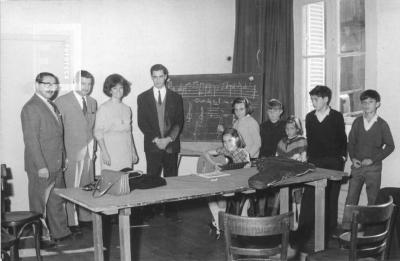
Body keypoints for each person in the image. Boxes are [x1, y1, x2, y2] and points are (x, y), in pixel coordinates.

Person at [20, 72, 71, 244]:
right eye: (46, 84)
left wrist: (64, 157)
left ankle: (60, 233)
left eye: (53, 84)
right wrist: (41, 166)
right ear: (37, 85)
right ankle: (40, 238)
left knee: (57, 201)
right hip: (41, 166)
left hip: (56, 163)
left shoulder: (52, 105)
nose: (50, 88)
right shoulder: (31, 107)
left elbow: (58, 135)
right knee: (39, 205)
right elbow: (31, 141)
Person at [297, 85, 347, 250]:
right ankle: (303, 232)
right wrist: (307, 159)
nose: (313, 102)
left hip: (333, 163)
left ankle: (328, 234)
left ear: (326, 99)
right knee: (309, 197)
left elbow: (342, 140)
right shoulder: (310, 117)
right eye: (312, 99)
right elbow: (310, 140)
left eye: (316, 99)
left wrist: (341, 159)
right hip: (315, 163)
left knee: (331, 199)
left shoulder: (337, 116)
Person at [137, 64, 184, 220]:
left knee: (171, 178)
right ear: (151, 77)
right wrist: (157, 140)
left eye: (160, 76)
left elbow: (179, 122)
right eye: (154, 76)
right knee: (152, 178)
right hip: (153, 145)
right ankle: (151, 210)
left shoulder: (176, 98)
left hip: (171, 145)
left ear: (166, 77)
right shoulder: (142, 97)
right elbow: (142, 123)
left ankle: (171, 211)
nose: (157, 80)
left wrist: (169, 139)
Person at [55, 70, 97, 234]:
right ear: (75, 83)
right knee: (72, 187)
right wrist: (63, 154)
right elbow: (58, 131)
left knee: (88, 186)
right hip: (71, 152)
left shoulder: (93, 102)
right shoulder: (61, 101)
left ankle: (86, 218)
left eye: (89, 84)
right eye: (83, 83)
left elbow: (92, 128)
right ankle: (72, 223)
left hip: (88, 152)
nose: (86, 87)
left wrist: (93, 149)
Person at [345, 90, 394, 206]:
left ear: (377, 104)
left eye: (371, 102)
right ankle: (347, 224)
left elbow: (390, 146)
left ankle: (371, 225)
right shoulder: (357, 122)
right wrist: (353, 158)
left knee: (373, 200)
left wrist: (373, 160)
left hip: (374, 168)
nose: (367, 105)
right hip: (357, 167)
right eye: (364, 102)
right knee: (351, 199)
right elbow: (351, 143)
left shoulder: (382, 124)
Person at [203, 128, 250, 238]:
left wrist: (246, 167)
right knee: (209, 195)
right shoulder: (225, 150)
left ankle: (220, 224)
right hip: (227, 182)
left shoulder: (243, 153)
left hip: (241, 186)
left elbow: (247, 171)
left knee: (221, 198)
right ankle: (219, 223)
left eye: (230, 140)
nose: (227, 144)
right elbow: (206, 153)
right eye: (224, 141)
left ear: (237, 139)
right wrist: (214, 164)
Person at [94, 74, 138, 171]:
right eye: (114, 88)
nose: (118, 91)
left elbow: (129, 133)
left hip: (126, 153)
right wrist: (104, 153)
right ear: (109, 90)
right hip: (110, 152)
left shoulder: (127, 109)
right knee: (112, 181)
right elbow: (98, 132)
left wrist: (133, 151)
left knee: (125, 182)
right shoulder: (103, 108)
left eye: (121, 88)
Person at [257, 99, 286, 216]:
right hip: (264, 159)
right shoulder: (263, 126)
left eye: (275, 111)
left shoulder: (285, 126)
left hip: (279, 160)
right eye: (269, 111)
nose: (272, 114)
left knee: (279, 187)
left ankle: (275, 211)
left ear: (281, 112)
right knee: (261, 186)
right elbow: (260, 144)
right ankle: (261, 212)